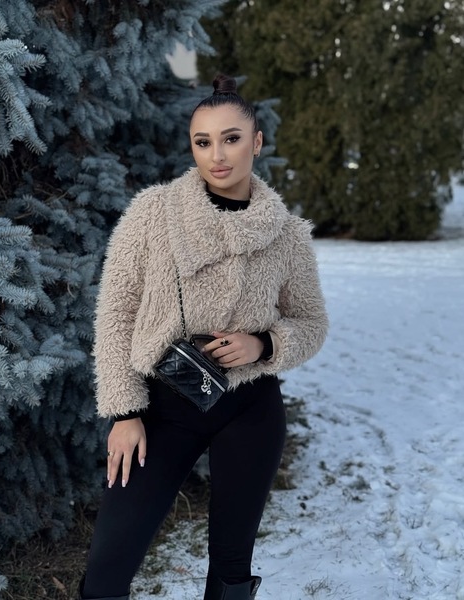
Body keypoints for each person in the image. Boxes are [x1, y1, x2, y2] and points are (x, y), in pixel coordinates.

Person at [79, 74, 328, 600]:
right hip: (161, 408)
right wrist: (124, 412)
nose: (217, 155)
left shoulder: (287, 234)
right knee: (108, 569)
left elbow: (311, 323)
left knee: (232, 567)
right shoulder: (153, 213)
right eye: (203, 141)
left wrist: (263, 344)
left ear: (256, 142)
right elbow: (116, 312)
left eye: (231, 138)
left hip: (249, 406)